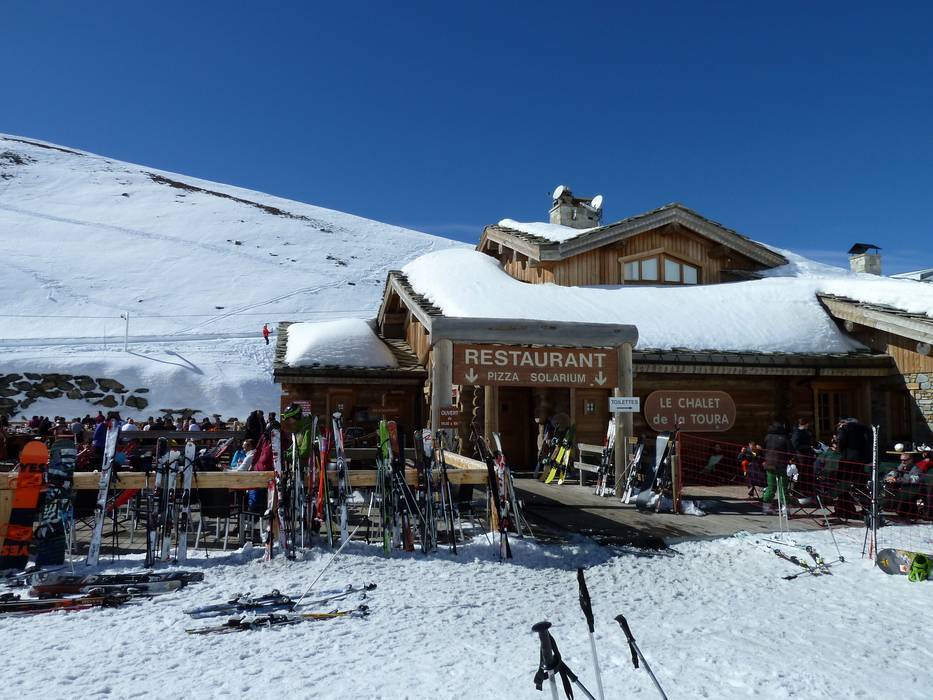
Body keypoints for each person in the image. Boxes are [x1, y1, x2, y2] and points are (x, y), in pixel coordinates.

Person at [761, 420, 791, 514]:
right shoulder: (785, 437)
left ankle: (766, 507)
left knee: (771, 486)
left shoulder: (767, 437)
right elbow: (790, 450)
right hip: (781, 464)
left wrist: (765, 459)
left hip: (769, 464)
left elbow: (763, 449)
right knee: (783, 487)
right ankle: (785, 508)